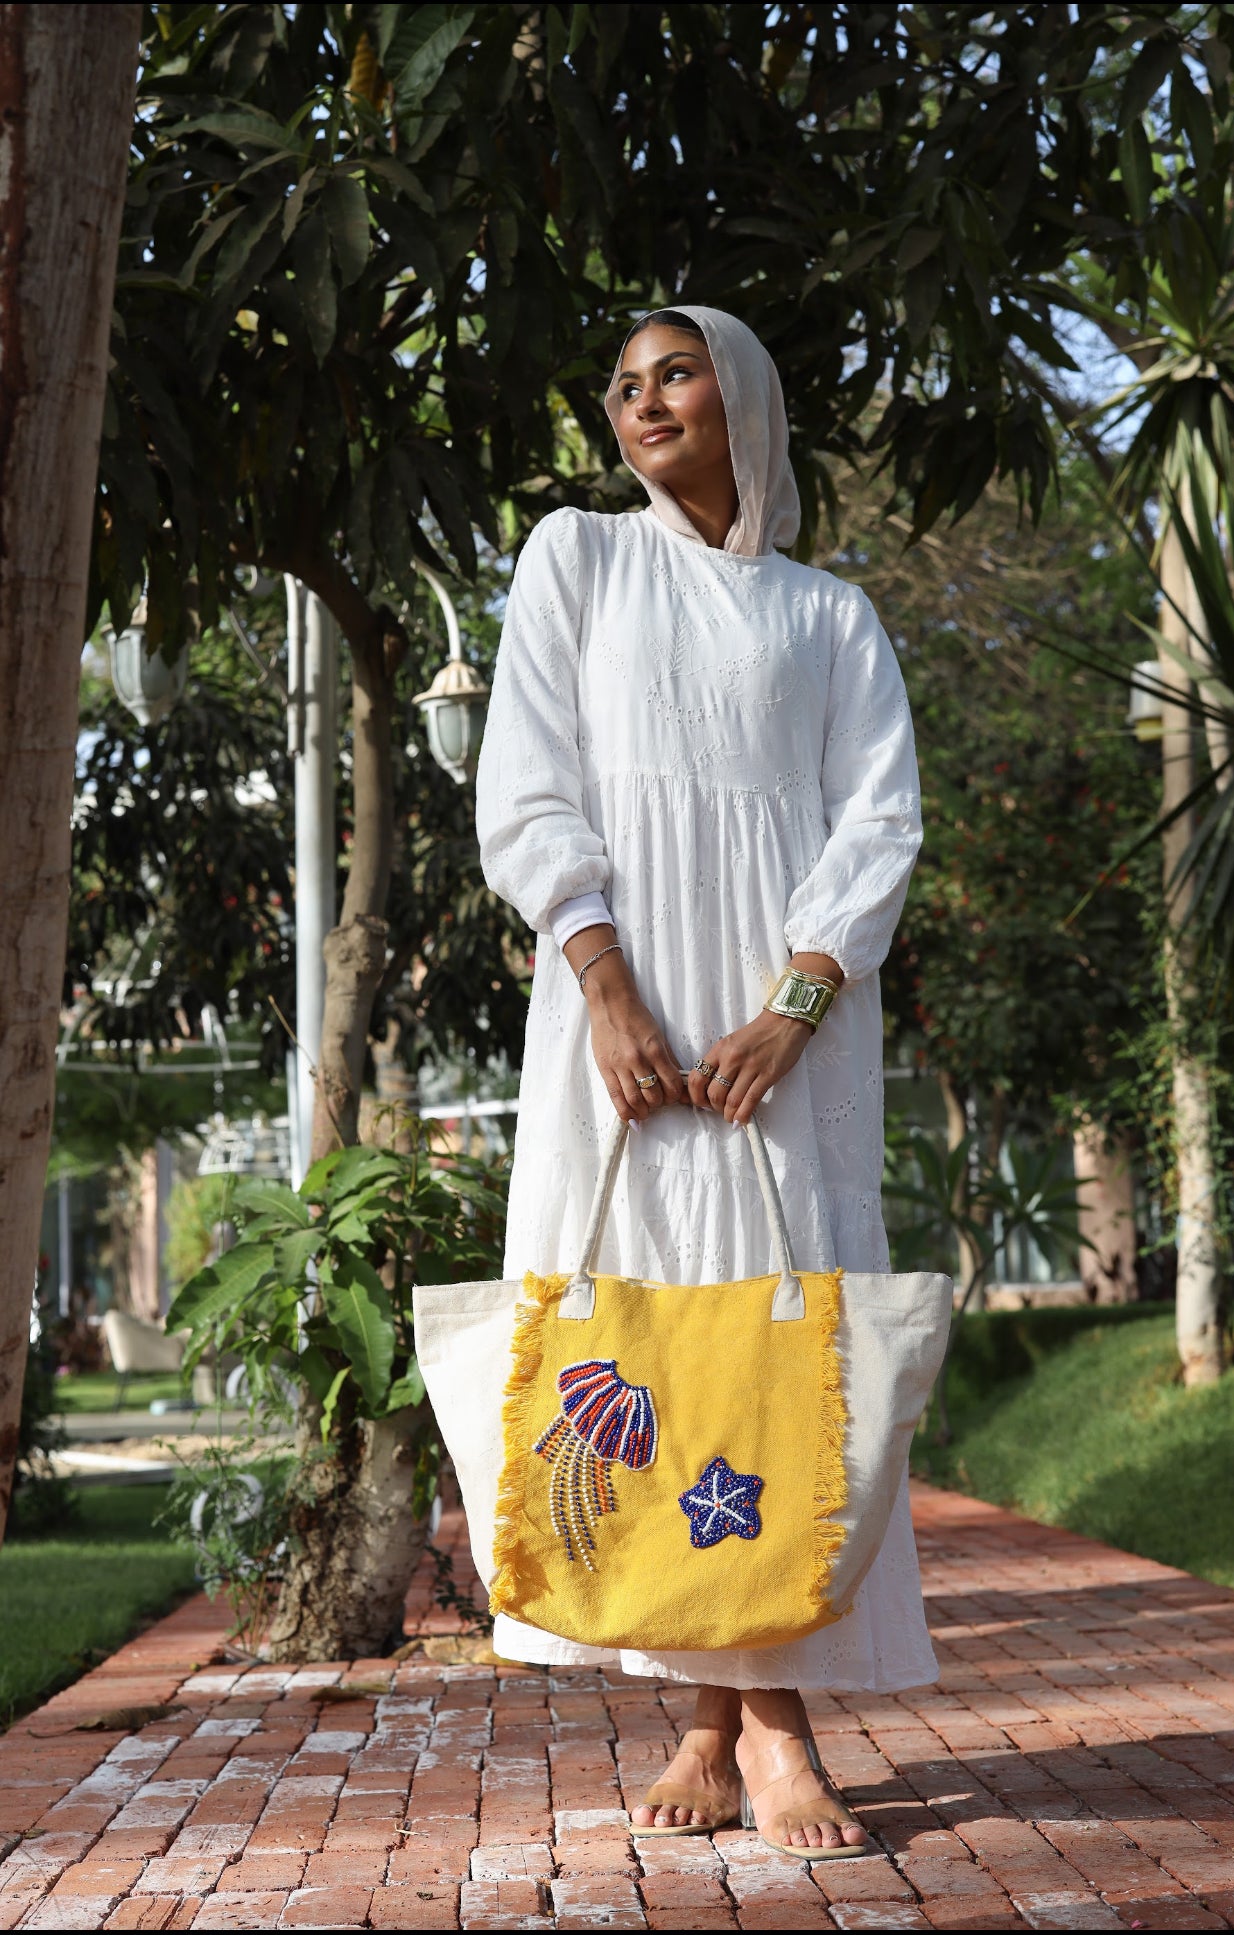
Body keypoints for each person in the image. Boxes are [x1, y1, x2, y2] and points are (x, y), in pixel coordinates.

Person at [475, 305, 934, 1858]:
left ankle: (754, 1719)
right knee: (646, 1339)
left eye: (675, 371)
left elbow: (877, 825)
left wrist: (793, 1008)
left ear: (742, 396)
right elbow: (528, 782)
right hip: (617, 1026)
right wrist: (604, 986)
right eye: (620, 382)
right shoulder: (578, 561)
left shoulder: (831, 616)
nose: (642, 399)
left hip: (779, 1051)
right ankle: (727, 1712)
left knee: (772, 1345)